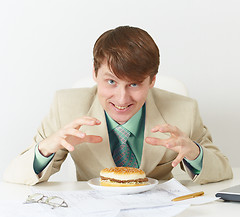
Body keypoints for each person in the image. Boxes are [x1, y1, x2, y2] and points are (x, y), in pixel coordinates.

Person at [3, 26, 233, 185]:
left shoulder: (184, 110)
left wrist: (194, 153)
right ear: (95, 74)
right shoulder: (66, 106)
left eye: (134, 84)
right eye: (111, 81)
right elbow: (14, 175)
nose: (122, 99)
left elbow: (223, 170)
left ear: (152, 80)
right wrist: (45, 148)